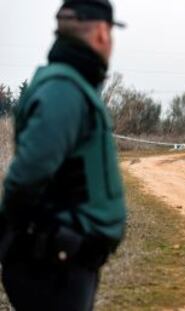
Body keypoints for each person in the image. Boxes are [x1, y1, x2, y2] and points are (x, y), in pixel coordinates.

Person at [0, 1, 126, 310]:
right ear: (100, 33)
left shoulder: (72, 85)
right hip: (52, 267)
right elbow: (27, 174)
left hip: (64, 263)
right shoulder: (64, 89)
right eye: (110, 33)